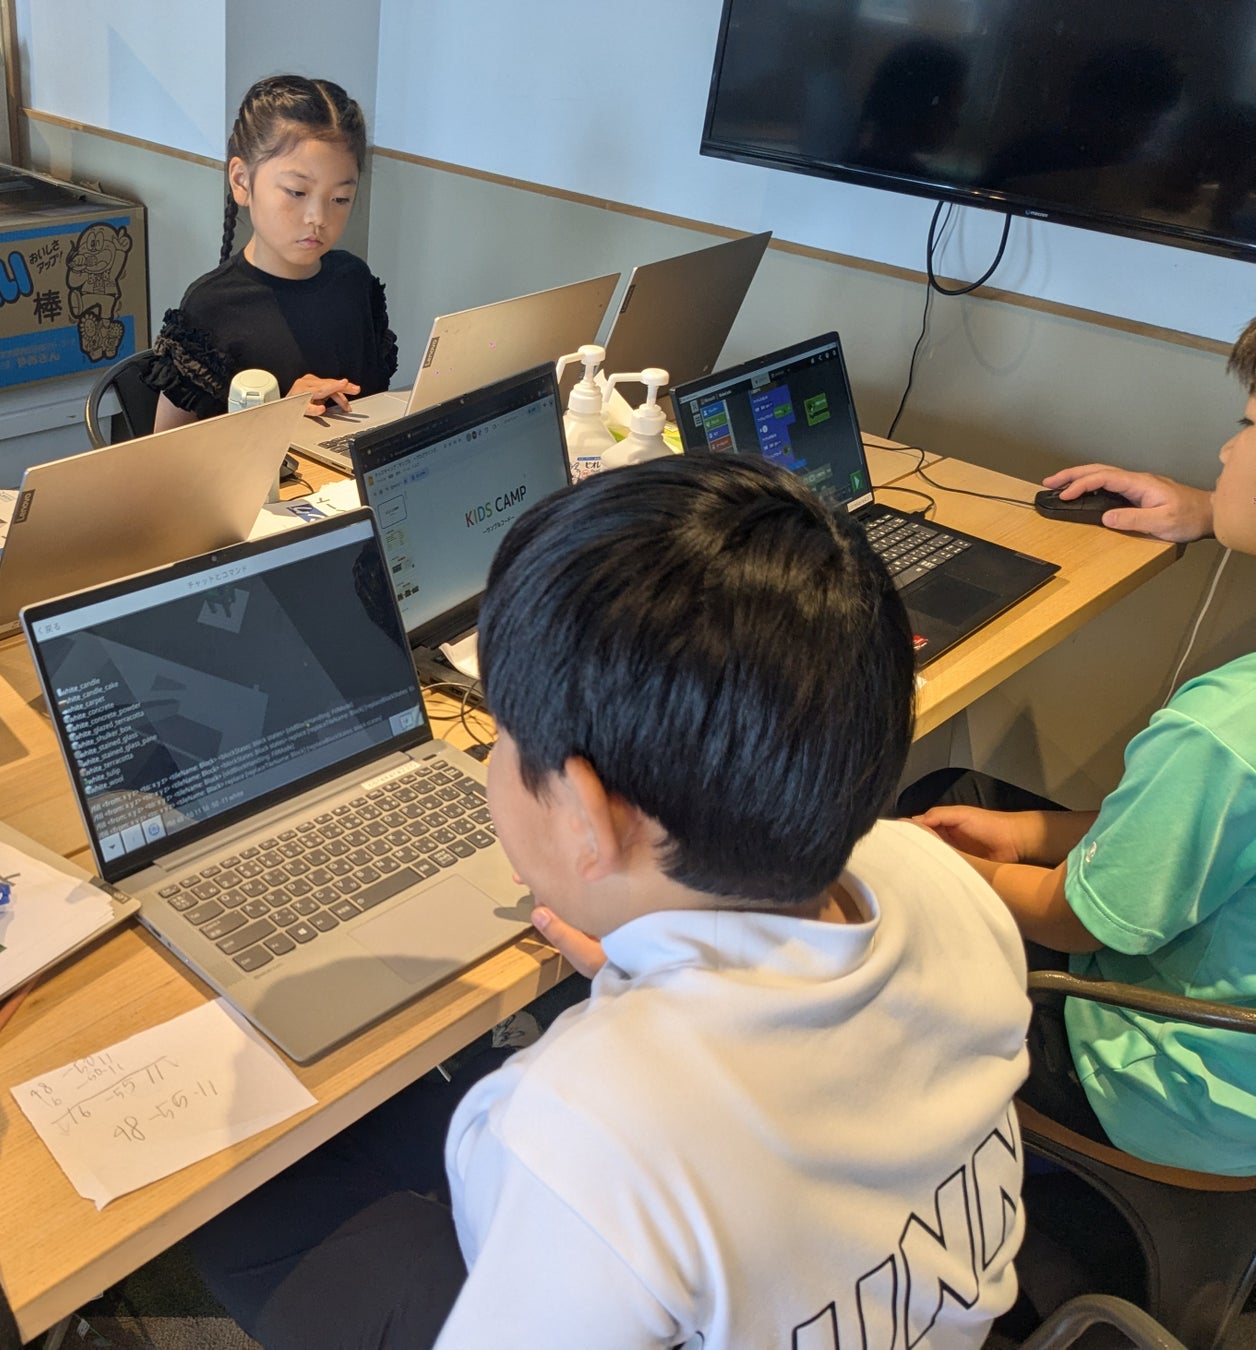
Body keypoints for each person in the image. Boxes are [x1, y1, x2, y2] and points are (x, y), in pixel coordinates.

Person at [190, 456, 1032, 1348]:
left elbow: (615, 1161)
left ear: (587, 814)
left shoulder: (574, 1132)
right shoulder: (939, 877)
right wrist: (649, 984)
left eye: (504, 737)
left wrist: (626, 1051)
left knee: (247, 1214)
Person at [916, 317, 1256, 1175]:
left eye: (1249, 425)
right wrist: (1025, 836)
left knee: (887, 881)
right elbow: (1205, 837)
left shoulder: (1223, 732)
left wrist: (945, 870)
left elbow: (1083, 921)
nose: (1224, 450)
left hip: (1165, 1082)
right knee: (967, 794)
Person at [147, 74, 397, 432]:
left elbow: (372, 408)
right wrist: (279, 415)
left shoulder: (354, 281)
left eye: (340, 198)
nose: (318, 218)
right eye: (297, 192)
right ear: (241, 180)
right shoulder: (212, 307)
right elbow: (167, 452)